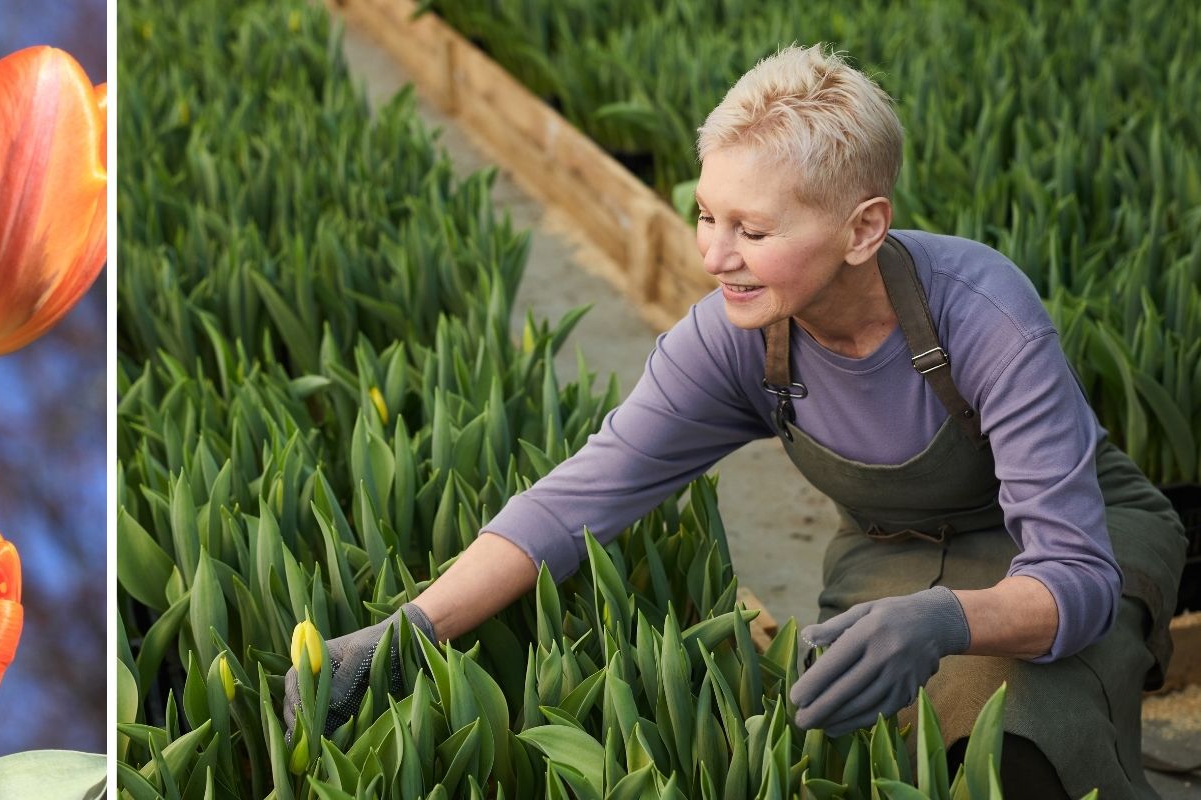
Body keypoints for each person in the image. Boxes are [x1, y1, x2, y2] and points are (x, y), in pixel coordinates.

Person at [283, 43, 1185, 798]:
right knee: (858, 743)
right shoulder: (734, 337)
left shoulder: (982, 316)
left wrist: (945, 620)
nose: (714, 255)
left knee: (1020, 742)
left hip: (1080, 537)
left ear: (863, 228)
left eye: (752, 231)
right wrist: (410, 629)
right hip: (894, 549)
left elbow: (1075, 575)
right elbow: (575, 501)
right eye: (707, 214)